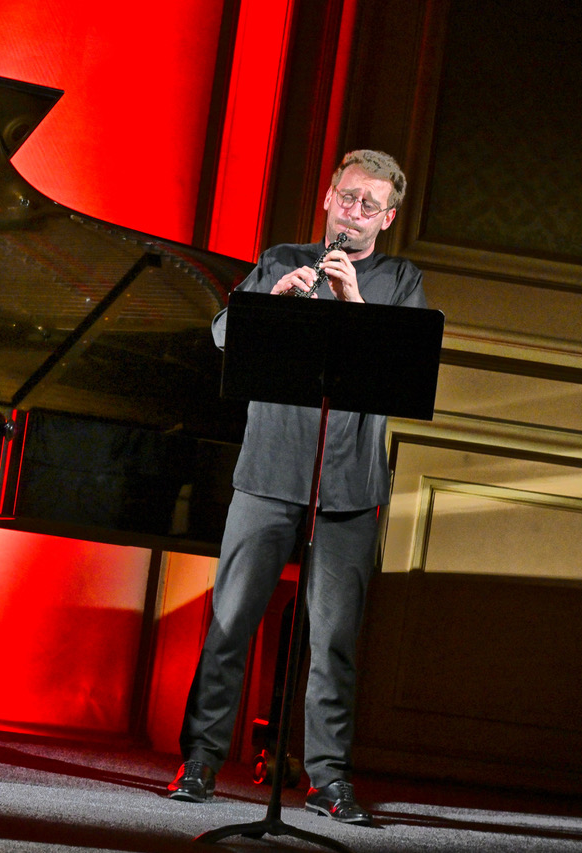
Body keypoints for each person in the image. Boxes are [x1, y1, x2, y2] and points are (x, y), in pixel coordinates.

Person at [166, 150, 427, 825]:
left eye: (370, 205)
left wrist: (353, 301)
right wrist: (268, 302)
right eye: (347, 198)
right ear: (328, 198)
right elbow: (225, 336)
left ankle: (327, 778)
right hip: (269, 471)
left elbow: (401, 369)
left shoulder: (400, 279)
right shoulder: (284, 257)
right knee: (230, 622)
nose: (355, 212)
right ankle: (200, 760)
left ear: (389, 218)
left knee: (334, 638)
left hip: (348, 483)